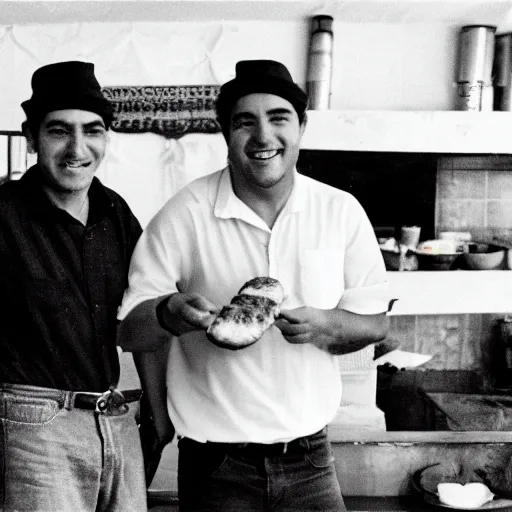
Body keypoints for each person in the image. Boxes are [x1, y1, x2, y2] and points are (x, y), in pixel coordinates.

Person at [117, 59, 391, 512]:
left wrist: (324, 324)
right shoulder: (184, 214)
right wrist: (168, 313)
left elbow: (375, 324)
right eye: (245, 122)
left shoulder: (339, 211)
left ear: (301, 127)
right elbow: (130, 331)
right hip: (216, 467)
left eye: (278, 118)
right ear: (226, 134)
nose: (263, 137)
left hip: (312, 462)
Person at [0, 61, 147, 512]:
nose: (77, 149)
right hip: (31, 428)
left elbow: (141, 312)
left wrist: (155, 415)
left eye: (93, 130)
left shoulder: (115, 212)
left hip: (115, 419)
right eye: (59, 131)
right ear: (30, 137)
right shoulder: (3, 215)